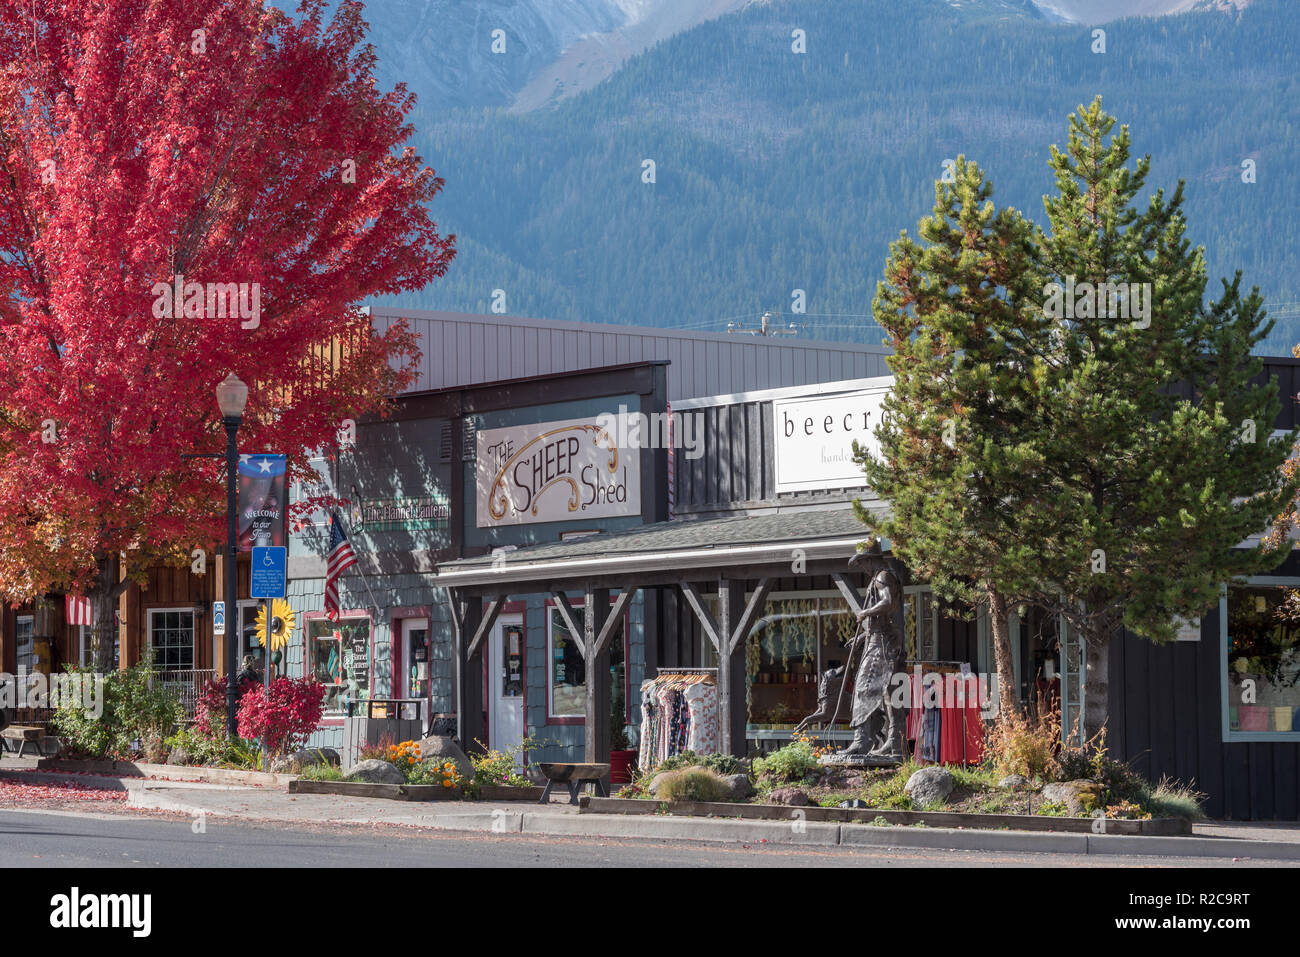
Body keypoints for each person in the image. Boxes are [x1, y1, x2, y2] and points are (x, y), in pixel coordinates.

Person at [836, 542, 905, 763]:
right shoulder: (886, 575)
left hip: (882, 644)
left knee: (863, 688)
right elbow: (886, 617)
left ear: (869, 559)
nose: (862, 568)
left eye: (862, 563)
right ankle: (894, 742)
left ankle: (861, 740)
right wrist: (863, 637)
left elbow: (887, 602)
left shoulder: (882, 577)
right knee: (889, 696)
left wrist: (865, 612)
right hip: (883, 640)